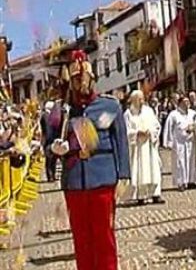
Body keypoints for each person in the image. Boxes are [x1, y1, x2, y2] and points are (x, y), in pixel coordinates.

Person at [47, 50, 130, 270]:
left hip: (102, 180)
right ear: (70, 81)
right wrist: (54, 149)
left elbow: (121, 142)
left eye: (84, 78)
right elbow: (48, 145)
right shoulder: (60, 111)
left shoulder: (110, 107)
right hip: (74, 182)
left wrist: (124, 176)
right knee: (81, 240)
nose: (81, 82)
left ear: (92, 78)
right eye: (75, 78)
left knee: (104, 239)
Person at [124, 90, 164, 205]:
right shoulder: (128, 114)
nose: (141, 102)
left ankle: (156, 194)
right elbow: (125, 131)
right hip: (137, 147)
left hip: (149, 145)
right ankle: (140, 195)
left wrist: (150, 132)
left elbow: (156, 126)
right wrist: (136, 133)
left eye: (142, 99)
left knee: (153, 169)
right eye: (139, 99)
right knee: (139, 170)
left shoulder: (149, 111)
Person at [163, 95, 196, 191]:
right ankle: (181, 182)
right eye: (185, 102)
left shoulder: (193, 113)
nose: (187, 104)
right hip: (179, 142)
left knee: (191, 161)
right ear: (180, 103)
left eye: (188, 102)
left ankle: (191, 180)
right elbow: (168, 128)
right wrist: (168, 142)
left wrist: (195, 128)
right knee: (180, 162)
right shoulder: (173, 115)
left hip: (191, 141)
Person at [40, 101, 57, 182]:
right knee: (49, 159)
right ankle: (50, 175)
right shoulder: (45, 116)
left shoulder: (51, 116)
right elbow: (45, 129)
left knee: (53, 158)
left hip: (50, 139)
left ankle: (52, 175)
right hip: (48, 139)